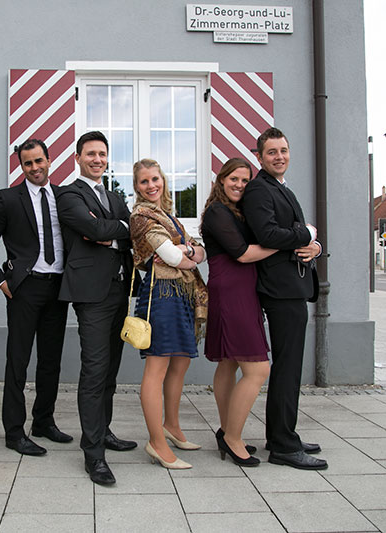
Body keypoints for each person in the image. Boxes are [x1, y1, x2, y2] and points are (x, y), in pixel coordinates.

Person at [0, 139, 72, 457]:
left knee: (51, 361)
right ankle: (14, 432)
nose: (34, 168)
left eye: (39, 161)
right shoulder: (8, 199)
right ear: (21, 166)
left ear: (49, 160)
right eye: (28, 163)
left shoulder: (63, 197)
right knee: (18, 361)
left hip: (58, 288)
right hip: (25, 288)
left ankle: (43, 422)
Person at [241, 127, 327, 470]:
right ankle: (282, 445)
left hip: (293, 286)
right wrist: (307, 232)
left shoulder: (280, 187)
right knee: (287, 369)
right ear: (260, 157)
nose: (279, 156)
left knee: (290, 369)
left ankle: (283, 434)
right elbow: (267, 234)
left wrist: (314, 246)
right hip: (280, 289)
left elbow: (293, 237)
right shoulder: (259, 189)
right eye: (272, 152)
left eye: (283, 150)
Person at [57, 131, 137, 485]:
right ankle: (93, 454)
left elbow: (132, 230)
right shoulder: (69, 194)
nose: (97, 159)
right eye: (90, 154)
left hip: (120, 290)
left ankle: (103, 431)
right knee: (94, 370)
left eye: (102, 154)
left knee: (110, 370)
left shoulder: (115, 196)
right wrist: (115, 229)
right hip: (91, 294)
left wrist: (113, 231)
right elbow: (90, 227)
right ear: (78, 157)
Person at [129, 159, 208, 470]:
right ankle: (156, 442)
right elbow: (174, 256)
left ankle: (172, 426)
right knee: (157, 368)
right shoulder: (141, 216)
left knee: (181, 362)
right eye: (144, 181)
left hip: (181, 293)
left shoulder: (168, 217)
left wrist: (187, 251)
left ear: (162, 180)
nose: (151, 185)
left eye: (155, 179)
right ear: (137, 187)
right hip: (160, 295)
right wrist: (187, 252)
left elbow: (199, 252)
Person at [200, 158, 276, 468]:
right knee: (258, 370)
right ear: (221, 179)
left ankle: (227, 431)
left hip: (241, 290)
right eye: (234, 178)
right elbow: (243, 254)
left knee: (230, 362)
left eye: (245, 181)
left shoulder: (236, 211)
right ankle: (233, 437)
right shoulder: (217, 212)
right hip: (232, 292)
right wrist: (284, 243)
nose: (240, 185)